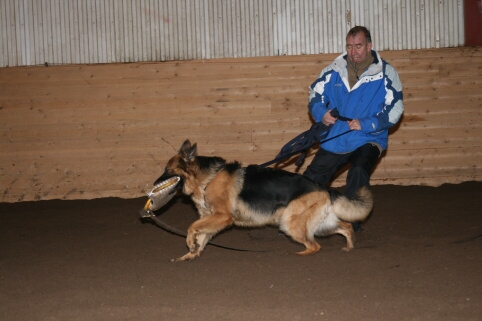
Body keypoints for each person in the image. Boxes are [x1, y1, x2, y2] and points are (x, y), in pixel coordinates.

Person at [303, 26, 404, 211]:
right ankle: (303, 215)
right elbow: (315, 94)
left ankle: (354, 218)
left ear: (369, 46)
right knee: (312, 177)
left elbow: (395, 108)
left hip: (369, 136)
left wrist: (367, 123)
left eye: (358, 46)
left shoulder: (386, 74)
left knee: (358, 170)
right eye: (349, 46)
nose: (353, 51)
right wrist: (321, 113)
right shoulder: (333, 70)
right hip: (337, 135)